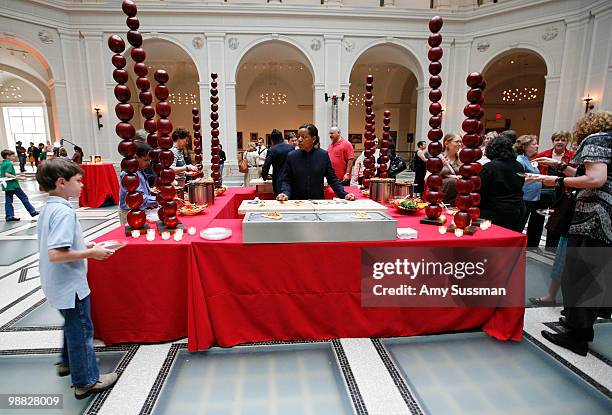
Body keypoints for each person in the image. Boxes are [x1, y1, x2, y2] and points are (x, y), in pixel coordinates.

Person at [35, 158, 120, 398]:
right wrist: (91, 252)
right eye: (78, 181)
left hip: (56, 283)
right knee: (82, 330)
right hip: (70, 284)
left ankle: (67, 363)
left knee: (72, 325)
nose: (82, 185)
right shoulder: (64, 213)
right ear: (61, 183)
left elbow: (55, 245)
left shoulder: (50, 208)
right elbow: (56, 253)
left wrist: (83, 243)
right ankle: (86, 380)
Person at [537, 110, 612, 356]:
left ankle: (577, 335)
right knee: (596, 274)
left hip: (594, 218)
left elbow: (595, 179)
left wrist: (556, 182)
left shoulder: (596, 139)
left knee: (581, 275)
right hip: (607, 219)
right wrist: (561, 167)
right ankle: (578, 324)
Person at [277, 123, 355, 201]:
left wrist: (344, 194)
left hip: (317, 201)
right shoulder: (292, 156)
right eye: (299, 136)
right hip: (297, 201)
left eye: (303, 137)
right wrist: (285, 193)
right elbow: (286, 179)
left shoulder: (323, 155)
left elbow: (332, 179)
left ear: (313, 139)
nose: (299, 140)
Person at [534, 130, 574, 249]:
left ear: (567, 141)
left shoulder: (572, 156)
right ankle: (533, 246)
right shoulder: (543, 155)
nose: (560, 142)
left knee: (556, 219)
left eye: (563, 140)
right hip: (542, 190)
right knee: (537, 218)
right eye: (557, 140)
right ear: (553, 141)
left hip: (562, 192)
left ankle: (551, 248)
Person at [478, 136, 526, 232]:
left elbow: (480, 189)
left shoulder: (490, 167)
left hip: (495, 212)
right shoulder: (518, 165)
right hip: (518, 209)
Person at [515, 135, 544, 247]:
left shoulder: (528, 159)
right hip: (524, 198)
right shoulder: (520, 160)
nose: (537, 146)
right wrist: (537, 178)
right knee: (519, 224)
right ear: (525, 146)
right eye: (533, 144)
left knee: (524, 223)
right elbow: (519, 180)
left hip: (531, 198)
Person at [118, 141, 157, 225]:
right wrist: (159, 199)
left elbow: (142, 191)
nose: (148, 163)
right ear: (135, 157)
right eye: (146, 160)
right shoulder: (129, 174)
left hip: (138, 209)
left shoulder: (139, 170)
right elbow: (140, 199)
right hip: (129, 212)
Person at [1, 149, 39, 222]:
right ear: (7, 156)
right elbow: (7, 174)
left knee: (8, 201)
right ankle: (32, 211)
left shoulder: (3, 164)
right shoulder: (9, 163)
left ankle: (9, 216)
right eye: (12, 156)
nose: (14, 157)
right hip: (13, 185)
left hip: (6, 185)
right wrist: (18, 177)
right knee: (23, 197)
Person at [261, 129, 294, 195]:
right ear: (282, 137)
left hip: (278, 179)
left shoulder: (271, 150)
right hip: (291, 179)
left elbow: (266, 166)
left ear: (272, 140)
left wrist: (264, 176)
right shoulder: (291, 147)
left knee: (280, 200)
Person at [438, 133, 463, 204]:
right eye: (457, 141)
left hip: (457, 199)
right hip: (441, 199)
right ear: (446, 143)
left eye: (460, 142)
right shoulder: (438, 158)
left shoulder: (462, 159)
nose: (460, 144)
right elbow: (428, 178)